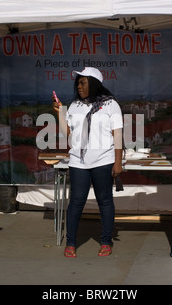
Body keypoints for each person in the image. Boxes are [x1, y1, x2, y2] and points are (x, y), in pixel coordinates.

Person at [52, 67, 123, 257]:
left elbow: (118, 135)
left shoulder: (111, 105)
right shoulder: (75, 105)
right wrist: (60, 113)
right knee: (76, 202)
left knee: (105, 202)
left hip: (104, 160)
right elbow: (69, 134)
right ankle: (71, 243)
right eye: (78, 83)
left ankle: (106, 242)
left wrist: (118, 163)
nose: (79, 86)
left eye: (82, 82)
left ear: (94, 83)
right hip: (78, 161)